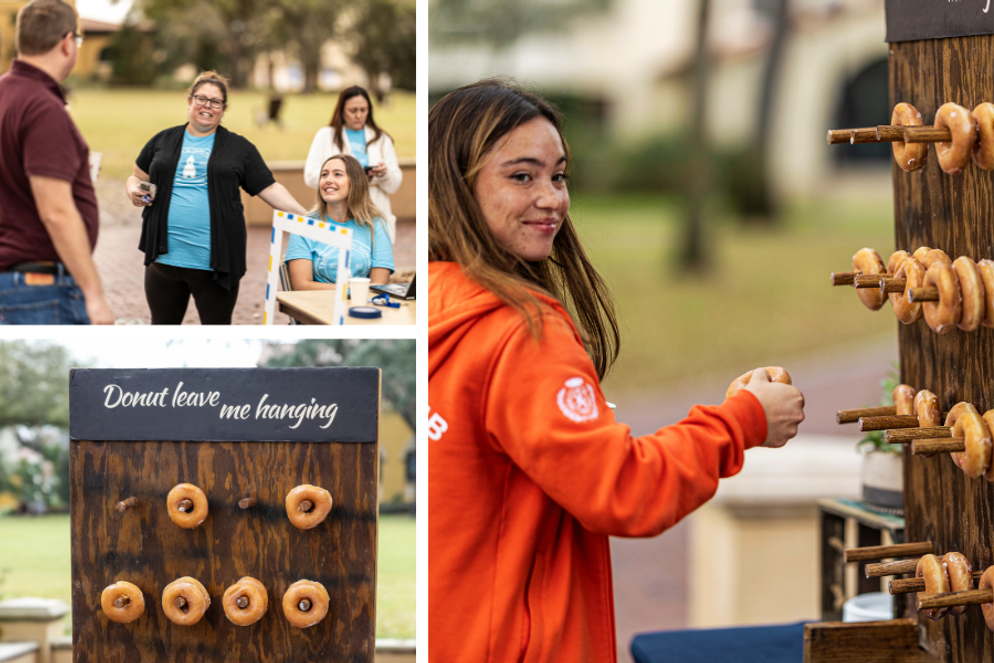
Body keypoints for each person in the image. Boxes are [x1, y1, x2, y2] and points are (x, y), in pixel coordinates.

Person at [428, 79, 807, 663]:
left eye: (558, 176)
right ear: (456, 186)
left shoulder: (426, 303)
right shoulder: (520, 333)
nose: (552, 198)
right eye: (521, 176)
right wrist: (742, 422)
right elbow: (624, 490)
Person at [126, 71, 310, 325]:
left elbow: (269, 188)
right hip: (162, 264)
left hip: (215, 267)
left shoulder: (239, 148)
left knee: (218, 329)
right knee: (162, 328)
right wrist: (133, 190)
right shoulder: (163, 140)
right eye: (201, 98)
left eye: (215, 102)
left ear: (224, 109)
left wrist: (308, 217)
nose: (207, 106)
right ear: (189, 101)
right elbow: (136, 176)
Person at [0, 0, 114, 325]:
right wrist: (94, 294)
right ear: (67, 43)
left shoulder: (5, 93)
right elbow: (55, 211)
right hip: (40, 291)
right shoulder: (42, 108)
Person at [304, 86, 402, 243]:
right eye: (353, 110)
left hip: (376, 210)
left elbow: (394, 185)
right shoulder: (325, 136)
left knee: (377, 262)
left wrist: (385, 173)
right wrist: (345, 178)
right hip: (338, 213)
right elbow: (310, 176)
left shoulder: (382, 138)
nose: (358, 115)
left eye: (363, 110)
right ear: (341, 110)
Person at [285, 154, 393, 291]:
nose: (328, 180)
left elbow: (379, 284)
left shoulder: (375, 223)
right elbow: (302, 286)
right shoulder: (304, 226)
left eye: (337, 174)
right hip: (318, 306)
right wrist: (350, 290)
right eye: (324, 175)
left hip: (362, 306)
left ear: (355, 182)